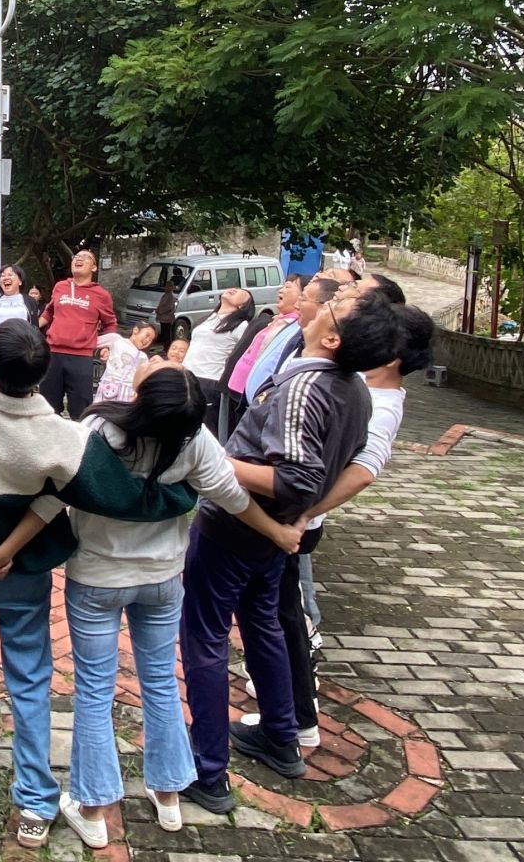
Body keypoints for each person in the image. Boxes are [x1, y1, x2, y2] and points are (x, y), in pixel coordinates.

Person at [0, 321, 199, 849]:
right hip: (25, 576)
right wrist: (182, 497)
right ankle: (35, 801)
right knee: (30, 683)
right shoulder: (59, 433)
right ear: (43, 373)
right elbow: (122, 495)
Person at [60, 358, 303, 847]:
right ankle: (169, 794)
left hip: (97, 578)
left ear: (146, 398)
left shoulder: (100, 431)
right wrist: (278, 532)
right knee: (159, 682)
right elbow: (234, 497)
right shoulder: (192, 439)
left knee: (94, 691)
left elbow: (58, 489)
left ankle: (93, 808)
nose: (154, 361)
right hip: (162, 579)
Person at [180, 290, 400, 813]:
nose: (324, 301)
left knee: (205, 637)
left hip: (235, 529)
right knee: (263, 624)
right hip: (274, 534)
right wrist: (298, 518)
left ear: (333, 338)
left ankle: (207, 771)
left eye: (336, 305)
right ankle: (280, 735)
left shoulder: (304, 387)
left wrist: (215, 463)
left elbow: (297, 477)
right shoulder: (354, 389)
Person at [241, 301, 435, 744]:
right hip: (290, 516)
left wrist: (304, 513)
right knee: (278, 612)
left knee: (281, 616)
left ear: (390, 353)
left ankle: (295, 718)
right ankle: (291, 710)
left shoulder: (379, 402)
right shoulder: (357, 385)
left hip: (292, 519)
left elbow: (364, 471)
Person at [38, 249, 116, 420]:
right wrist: (30, 327)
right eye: (76, 257)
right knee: (46, 408)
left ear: (94, 267)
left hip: (81, 357)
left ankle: (81, 436)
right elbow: (49, 312)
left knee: (81, 410)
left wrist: (108, 347)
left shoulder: (101, 295)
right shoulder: (60, 287)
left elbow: (110, 323)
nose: (79, 259)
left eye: (85, 257)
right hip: (53, 354)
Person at [222, 278, 305, 438]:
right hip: (237, 386)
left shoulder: (293, 326)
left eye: (288, 287)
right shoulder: (278, 321)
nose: (281, 290)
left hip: (254, 396)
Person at [184, 288, 254, 435]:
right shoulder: (208, 319)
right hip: (185, 375)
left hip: (209, 381)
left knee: (204, 430)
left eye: (240, 292)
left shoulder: (241, 326)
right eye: (234, 288)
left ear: (242, 306)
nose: (233, 289)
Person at [91, 322, 156, 405]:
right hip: (108, 386)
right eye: (147, 335)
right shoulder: (116, 340)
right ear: (136, 330)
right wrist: (102, 350)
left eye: (150, 340)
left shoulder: (143, 357)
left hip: (128, 393)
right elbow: (91, 343)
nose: (147, 340)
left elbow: (143, 379)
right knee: (99, 411)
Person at [0, 263, 40, 338]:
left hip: (22, 343)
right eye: (2, 276)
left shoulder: (30, 302)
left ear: (20, 281)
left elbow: (35, 328)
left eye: (10, 275)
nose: (6, 278)